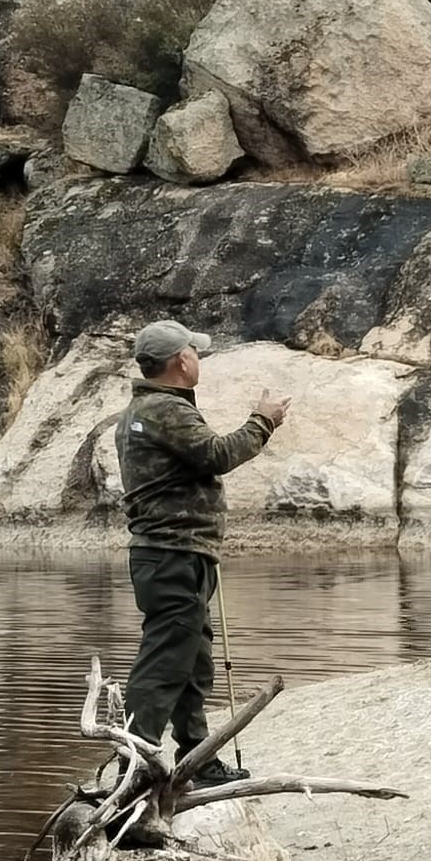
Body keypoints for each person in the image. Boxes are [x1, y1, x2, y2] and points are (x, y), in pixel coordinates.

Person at [115, 320, 290, 784]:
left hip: (174, 553)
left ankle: (197, 758)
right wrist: (263, 420)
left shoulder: (143, 409)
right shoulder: (165, 411)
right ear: (181, 361)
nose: (198, 358)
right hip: (173, 554)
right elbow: (216, 454)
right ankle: (134, 768)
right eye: (195, 351)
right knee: (166, 660)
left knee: (192, 659)